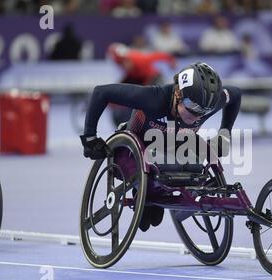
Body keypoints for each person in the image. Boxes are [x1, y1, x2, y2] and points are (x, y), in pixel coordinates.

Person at [80, 62, 241, 232]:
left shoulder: (206, 103)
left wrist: (225, 133)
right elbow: (101, 92)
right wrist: (90, 137)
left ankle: (156, 192)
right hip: (131, 154)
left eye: (203, 112)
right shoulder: (154, 97)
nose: (196, 116)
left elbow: (235, 94)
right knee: (150, 212)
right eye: (192, 108)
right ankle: (147, 191)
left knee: (193, 164)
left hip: (170, 154)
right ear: (178, 93)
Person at [107, 42, 176, 126]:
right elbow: (129, 78)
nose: (124, 66)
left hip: (153, 79)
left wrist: (171, 59)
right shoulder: (124, 64)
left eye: (125, 62)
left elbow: (157, 55)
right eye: (121, 64)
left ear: (128, 59)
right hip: (139, 79)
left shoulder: (139, 59)